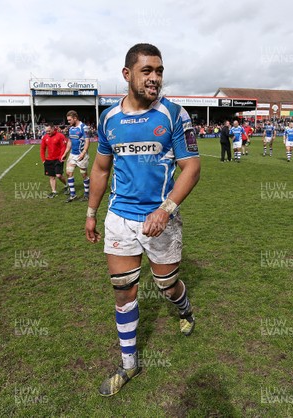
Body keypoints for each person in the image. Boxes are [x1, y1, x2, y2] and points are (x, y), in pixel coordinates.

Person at [85, 43, 200, 397]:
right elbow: (101, 169)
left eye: (159, 71)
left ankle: (184, 308)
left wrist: (165, 209)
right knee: (123, 291)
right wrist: (91, 213)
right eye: (147, 70)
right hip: (120, 217)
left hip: (161, 219)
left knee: (166, 287)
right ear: (127, 74)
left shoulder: (174, 115)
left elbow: (191, 167)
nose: (154, 78)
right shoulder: (108, 119)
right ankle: (130, 364)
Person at [65, 110, 91, 202]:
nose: (68, 122)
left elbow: (87, 141)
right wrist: (65, 153)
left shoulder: (84, 128)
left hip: (82, 155)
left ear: (75, 118)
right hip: (73, 155)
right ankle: (73, 195)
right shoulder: (71, 128)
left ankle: (87, 194)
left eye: (69, 120)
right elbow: (69, 141)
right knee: (69, 173)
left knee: (84, 175)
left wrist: (83, 153)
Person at [40, 123, 69, 198]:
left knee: (58, 175)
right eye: (46, 131)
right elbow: (42, 149)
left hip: (58, 159)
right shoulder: (45, 137)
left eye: (49, 131)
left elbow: (63, 147)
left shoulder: (60, 136)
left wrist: (62, 157)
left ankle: (66, 185)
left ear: (53, 128)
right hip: (49, 160)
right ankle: (54, 192)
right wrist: (43, 159)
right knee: (51, 177)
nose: (48, 132)